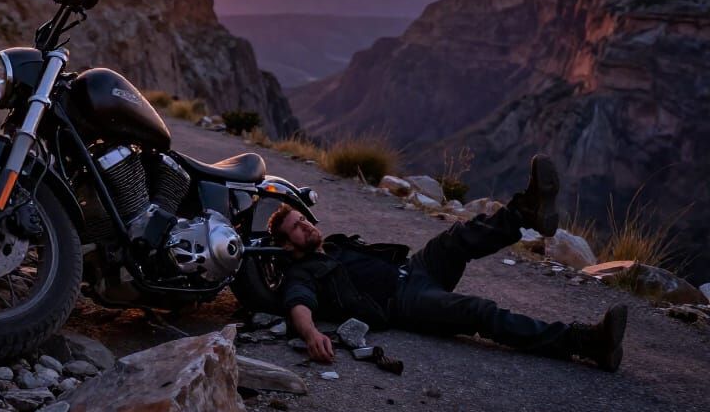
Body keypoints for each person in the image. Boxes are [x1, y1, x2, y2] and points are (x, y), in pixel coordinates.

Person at [268, 155, 628, 371]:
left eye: (304, 220)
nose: (305, 225)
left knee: (454, 239)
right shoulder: (302, 270)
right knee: (477, 311)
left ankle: (525, 212)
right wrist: (312, 334)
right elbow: (298, 302)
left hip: (416, 268)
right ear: (287, 246)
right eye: (296, 229)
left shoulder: (332, 245)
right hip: (404, 303)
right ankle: (587, 342)